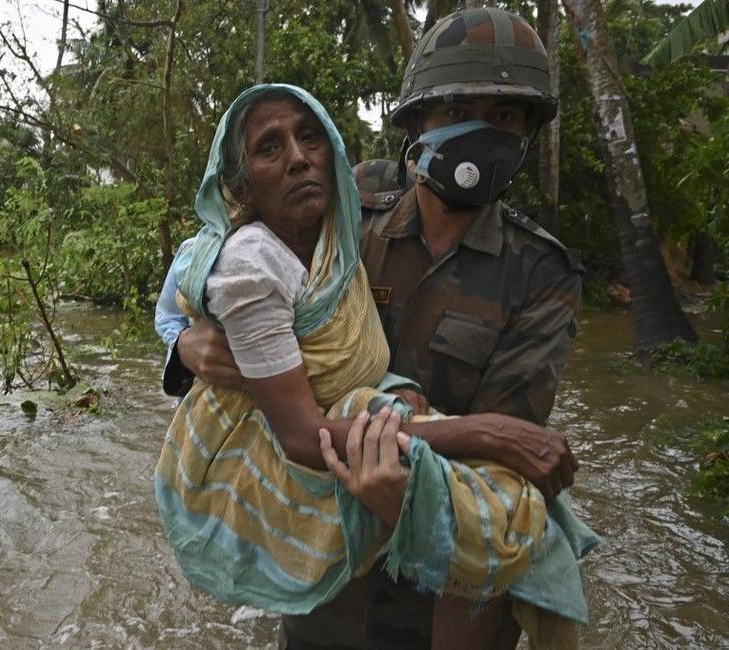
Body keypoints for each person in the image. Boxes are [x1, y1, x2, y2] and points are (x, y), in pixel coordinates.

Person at [156, 8, 592, 649]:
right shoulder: (346, 207)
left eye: (505, 116)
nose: (484, 131)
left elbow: (504, 453)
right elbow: (217, 277)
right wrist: (185, 343)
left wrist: (404, 492)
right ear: (416, 122)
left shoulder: (540, 273)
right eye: (457, 110)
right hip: (321, 563)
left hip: (441, 580)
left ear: (529, 132)